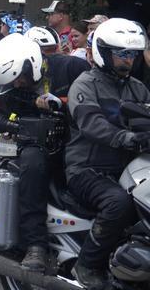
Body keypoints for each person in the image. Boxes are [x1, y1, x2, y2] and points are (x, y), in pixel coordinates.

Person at [0, 32, 88, 271]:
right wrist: (7, 124)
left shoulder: (71, 67)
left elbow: (93, 95)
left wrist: (61, 102)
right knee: (31, 165)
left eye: (20, 79)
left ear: (33, 66)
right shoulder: (5, 83)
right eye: (12, 82)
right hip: (37, 145)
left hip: (80, 141)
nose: (16, 85)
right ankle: (35, 244)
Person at [66, 18, 150, 289]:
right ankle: (87, 265)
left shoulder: (137, 88)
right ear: (103, 52)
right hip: (87, 170)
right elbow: (92, 124)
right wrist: (127, 138)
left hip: (128, 169)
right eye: (121, 54)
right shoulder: (85, 84)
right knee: (119, 204)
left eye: (132, 55)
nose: (128, 60)